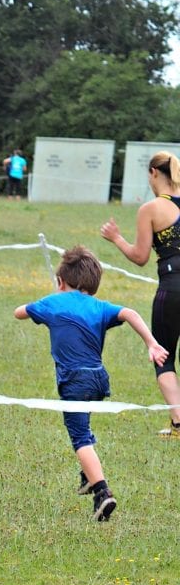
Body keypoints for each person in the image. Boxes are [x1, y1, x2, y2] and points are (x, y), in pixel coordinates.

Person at [14, 246, 166, 521]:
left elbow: (18, 312)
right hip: (97, 378)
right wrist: (152, 343)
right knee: (83, 426)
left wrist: (52, 299)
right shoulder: (99, 307)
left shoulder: (52, 304)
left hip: (74, 381)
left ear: (61, 280)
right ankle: (87, 476)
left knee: (80, 439)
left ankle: (102, 492)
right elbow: (130, 312)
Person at [100, 150, 180, 437]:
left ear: (154, 173)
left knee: (164, 355)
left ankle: (179, 423)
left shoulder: (151, 209)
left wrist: (116, 238)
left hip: (172, 289)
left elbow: (140, 256)